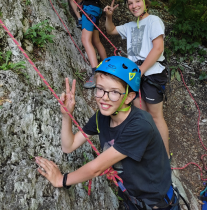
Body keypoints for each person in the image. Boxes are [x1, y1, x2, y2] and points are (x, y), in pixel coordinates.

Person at [35, 56, 179, 210]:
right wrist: (66, 115)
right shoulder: (102, 117)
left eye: (114, 92)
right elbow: (68, 146)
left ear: (129, 97)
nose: (104, 98)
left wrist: (61, 180)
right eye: (100, 89)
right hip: (133, 199)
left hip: (157, 204)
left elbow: (96, 168)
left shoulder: (140, 125)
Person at [104, 0, 170, 157]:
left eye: (137, 1)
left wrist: (140, 70)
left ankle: (164, 155)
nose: (133, 5)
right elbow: (110, 30)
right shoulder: (130, 26)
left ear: (145, 2)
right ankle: (146, 149)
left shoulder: (154, 21)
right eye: (130, 3)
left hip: (151, 73)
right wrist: (109, 16)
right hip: (135, 73)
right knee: (139, 114)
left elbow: (158, 48)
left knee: (155, 116)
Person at [68, 0, 107, 88]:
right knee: (96, 41)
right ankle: (108, 68)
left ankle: (96, 75)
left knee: (85, 39)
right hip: (93, 9)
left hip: (90, 9)